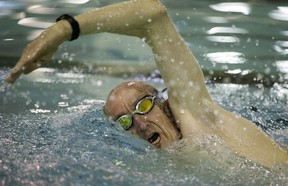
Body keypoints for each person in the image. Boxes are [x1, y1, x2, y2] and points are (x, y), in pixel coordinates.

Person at [6, 0, 288, 168]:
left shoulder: (199, 120)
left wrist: (63, 30)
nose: (139, 123)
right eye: (125, 122)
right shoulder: (162, 164)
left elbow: (154, 15)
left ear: (165, 103)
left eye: (142, 105)